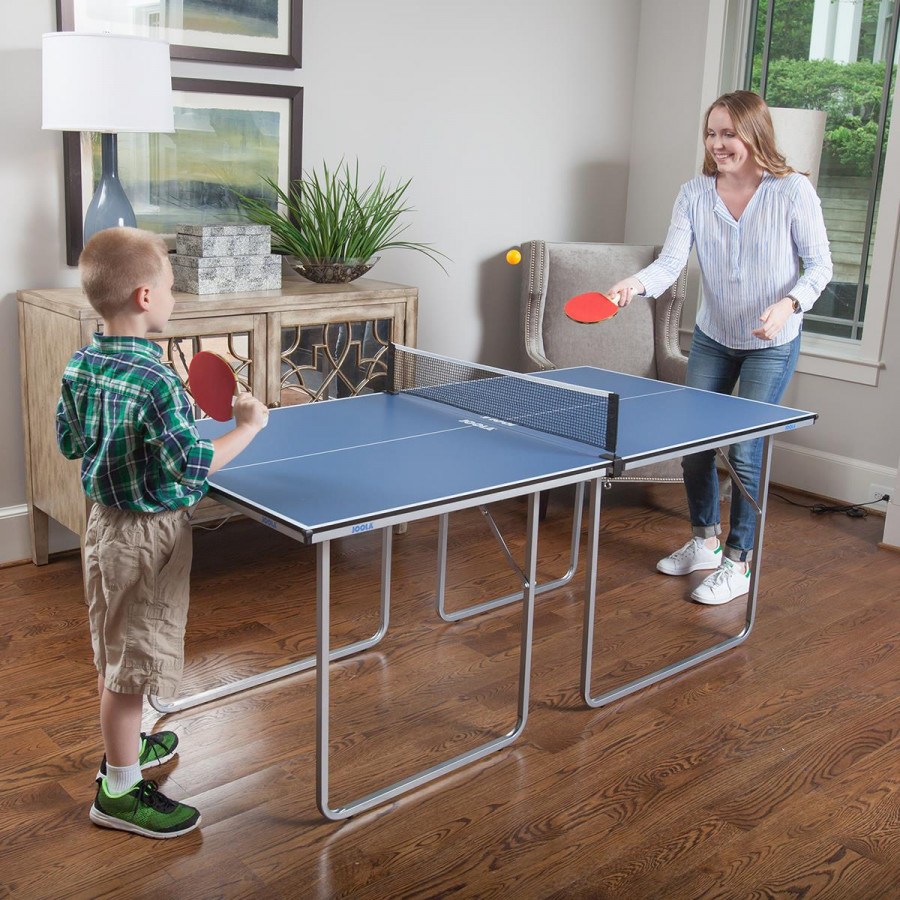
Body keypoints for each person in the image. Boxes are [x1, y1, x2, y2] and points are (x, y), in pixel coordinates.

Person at [56, 227, 269, 838]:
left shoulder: (83, 360)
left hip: (101, 528)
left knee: (114, 648)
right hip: (147, 538)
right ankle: (119, 792)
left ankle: (128, 749)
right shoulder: (158, 382)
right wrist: (249, 425)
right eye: (173, 288)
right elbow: (192, 465)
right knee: (132, 667)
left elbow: (71, 440)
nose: (176, 298)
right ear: (146, 296)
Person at [608, 90, 832, 605]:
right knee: (695, 448)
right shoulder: (693, 194)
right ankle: (705, 542)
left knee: (746, 453)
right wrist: (632, 286)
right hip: (714, 336)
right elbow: (670, 264)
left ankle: (738, 562)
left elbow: (820, 266)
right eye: (711, 133)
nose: (718, 143)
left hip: (771, 343)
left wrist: (788, 305)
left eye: (729, 132)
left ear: (754, 133)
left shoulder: (793, 191)